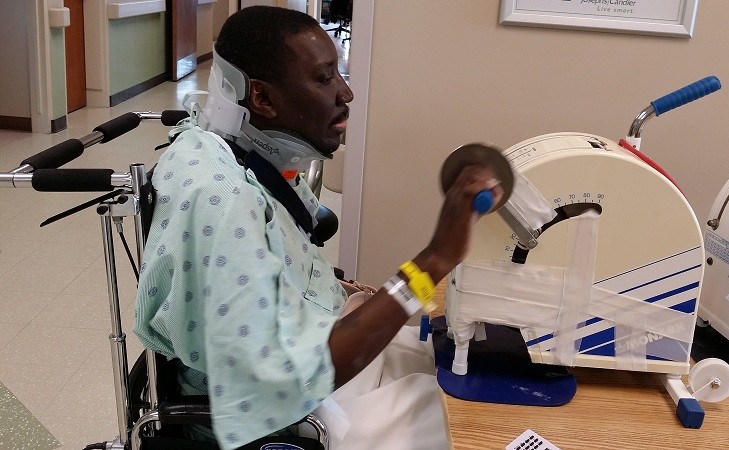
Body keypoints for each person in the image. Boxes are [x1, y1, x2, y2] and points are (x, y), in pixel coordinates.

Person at [133, 6, 502, 450]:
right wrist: (435, 261)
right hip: (298, 408)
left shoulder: (226, 150)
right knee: (473, 421)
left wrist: (343, 288)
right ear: (263, 99)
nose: (345, 92)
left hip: (319, 344)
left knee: (441, 358)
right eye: (325, 78)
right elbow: (297, 376)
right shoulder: (224, 201)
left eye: (339, 73)